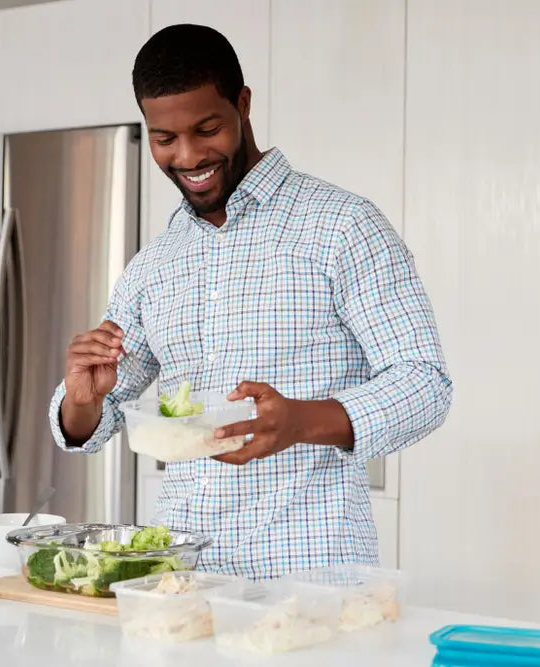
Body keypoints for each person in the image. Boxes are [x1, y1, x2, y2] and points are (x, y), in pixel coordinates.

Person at [48, 23, 452, 579]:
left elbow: (425, 383)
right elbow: (101, 418)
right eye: (165, 139)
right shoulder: (153, 266)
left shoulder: (343, 227)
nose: (188, 156)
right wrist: (82, 397)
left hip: (311, 580)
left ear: (242, 104)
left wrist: (300, 421)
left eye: (207, 129)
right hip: (182, 580)